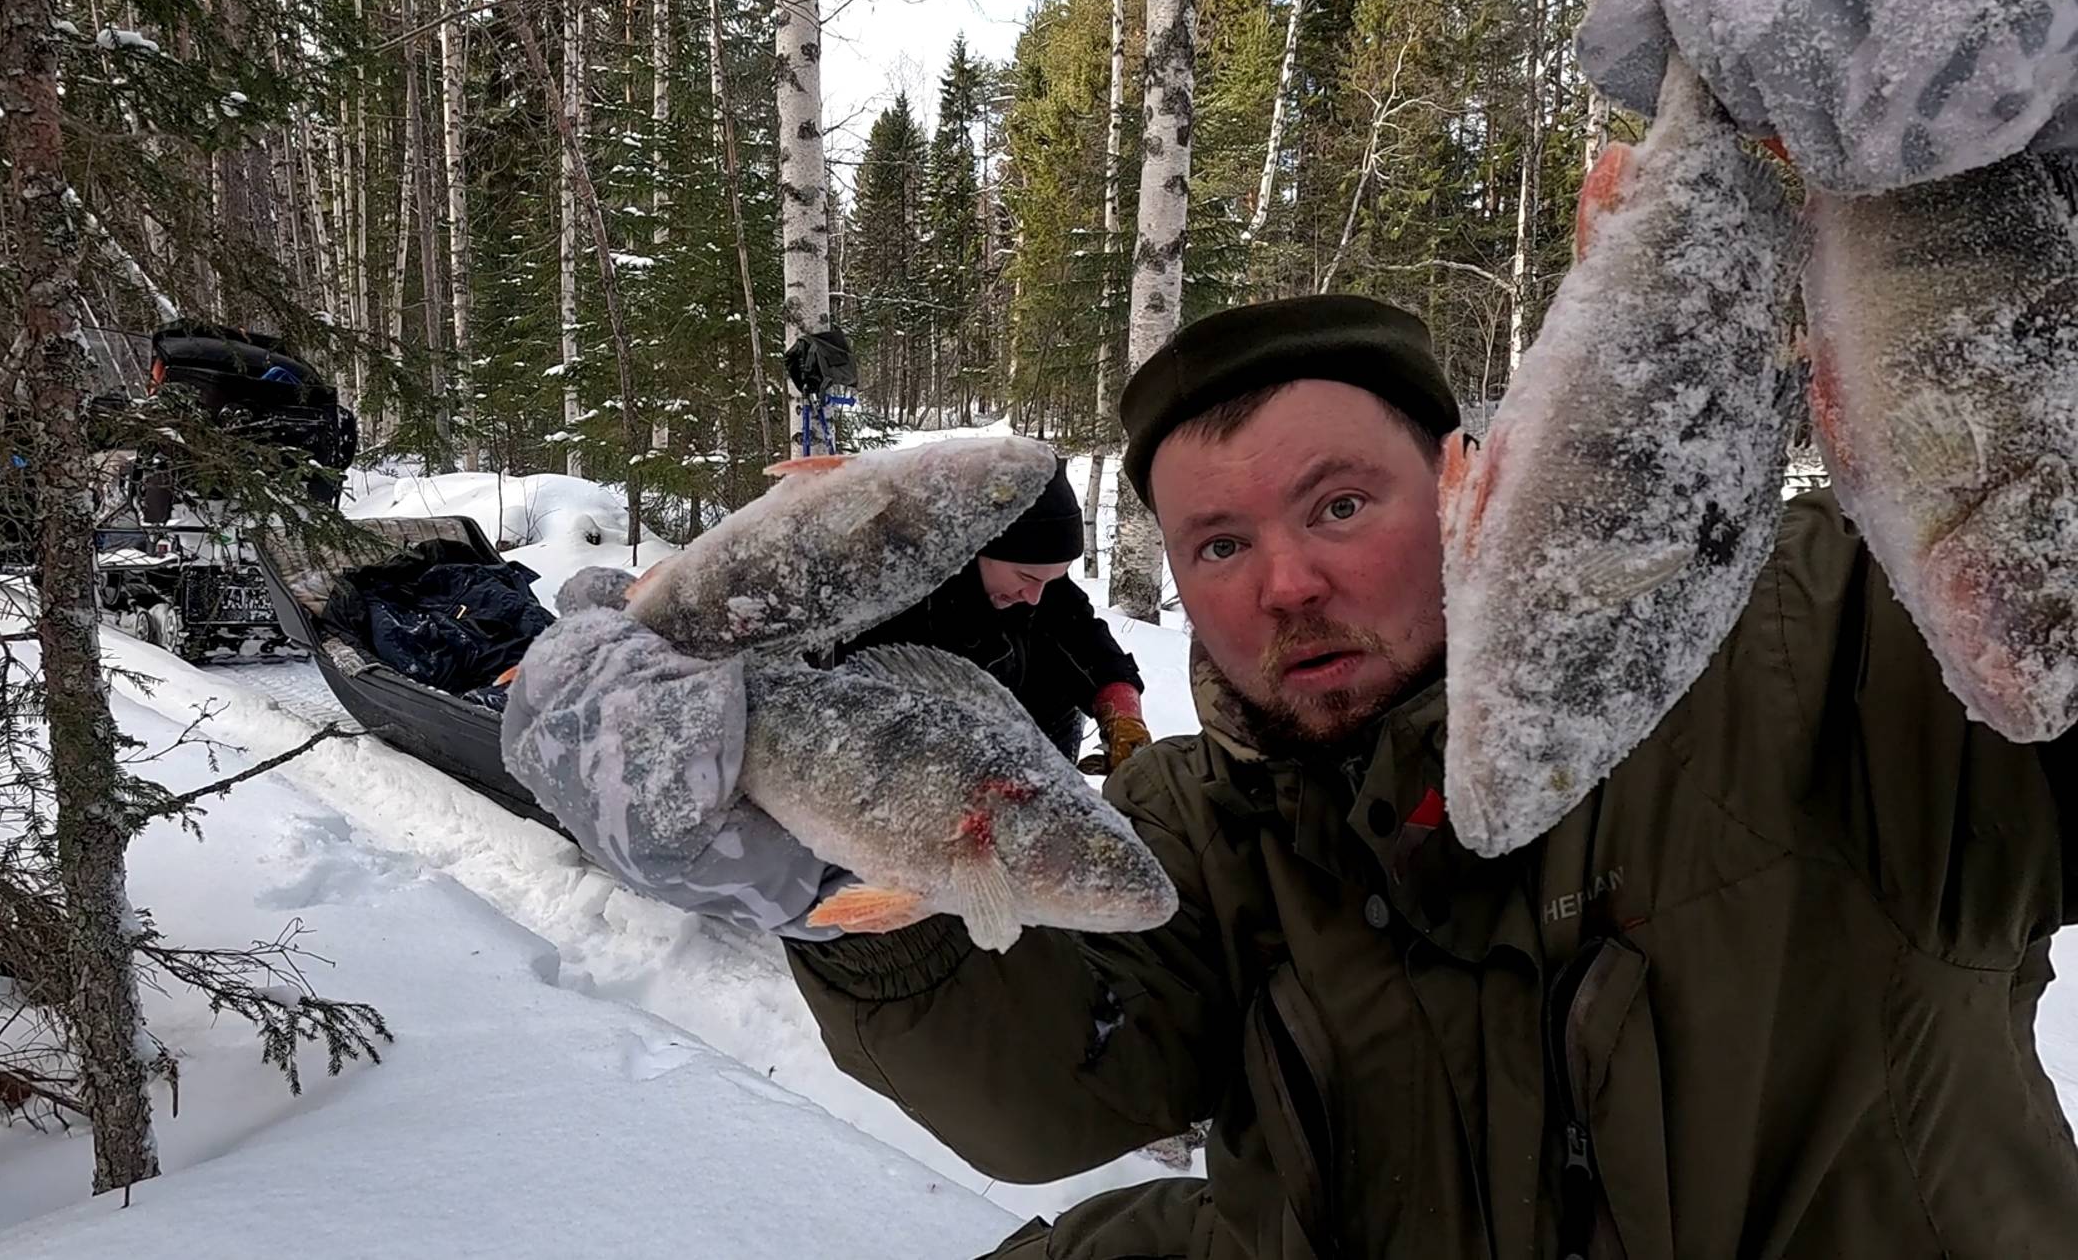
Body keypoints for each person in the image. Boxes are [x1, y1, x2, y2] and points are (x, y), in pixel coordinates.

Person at [525, 294, 2078, 1256]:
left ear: (1464, 483)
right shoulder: (1201, 831)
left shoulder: (1803, 652)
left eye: (1338, 506)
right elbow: (1038, 1072)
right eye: (1219, 543)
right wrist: (820, 872)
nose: (1284, 586)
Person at [835, 463, 1151, 772]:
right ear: (978, 548)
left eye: (1052, 580)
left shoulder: (1032, 585)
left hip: (1030, 746)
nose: (1035, 597)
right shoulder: (893, 598)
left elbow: (1078, 632)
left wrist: (1121, 707)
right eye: (1027, 577)